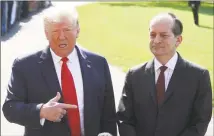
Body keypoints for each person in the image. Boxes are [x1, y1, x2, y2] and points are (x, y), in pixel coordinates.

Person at [2, 7, 117, 136]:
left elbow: (109, 115)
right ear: (46, 34)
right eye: (55, 31)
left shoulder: (99, 64)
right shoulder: (25, 66)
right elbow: (10, 108)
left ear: (77, 30)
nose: (61, 37)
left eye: (67, 30)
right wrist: (41, 111)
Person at [117, 12, 212, 136]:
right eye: (153, 35)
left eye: (163, 35)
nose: (156, 40)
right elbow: (124, 119)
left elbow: (200, 122)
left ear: (178, 40)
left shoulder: (199, 76)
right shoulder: (134, 75)